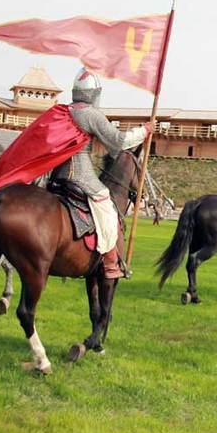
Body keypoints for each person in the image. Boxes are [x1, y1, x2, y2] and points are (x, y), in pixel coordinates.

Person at [51, 68, 151, 279]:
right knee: (108, 207)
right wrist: (144, 131)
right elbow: (119, 141)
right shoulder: (91, 114)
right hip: (79, 174)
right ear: (95, 93)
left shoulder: (61, 111)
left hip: (55, 175)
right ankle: (110, 261)